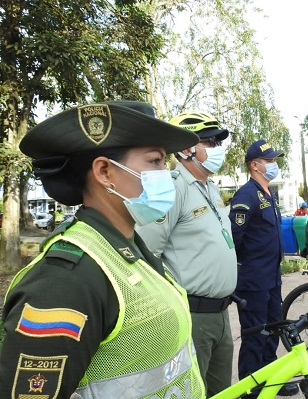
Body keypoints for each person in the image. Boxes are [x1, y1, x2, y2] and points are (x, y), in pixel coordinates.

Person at [0, 101, 205, 398]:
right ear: (105, 172)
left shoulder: (128, 248)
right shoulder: (65, 281)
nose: (166, 174)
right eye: (155, 162)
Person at [136, 110, 237, 397]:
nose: (217, 149)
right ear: (185, 149)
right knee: (193, 390)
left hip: (221, 314)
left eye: (218, 142)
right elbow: (147, 254)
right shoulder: (171, 188)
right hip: (193, 315)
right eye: (210, 142)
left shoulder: (211, 188)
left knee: (221, 391)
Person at [229, 140, 298, 398]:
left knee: (273, 330)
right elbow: (235, 239)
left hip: (272, 277)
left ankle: (271, 380)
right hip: (254, 279)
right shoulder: (247, 195)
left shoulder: (268, 193)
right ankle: (249, 388)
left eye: (273, 160)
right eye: (268, 161)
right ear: (255, 165)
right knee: (255, 335)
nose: (273, 164)